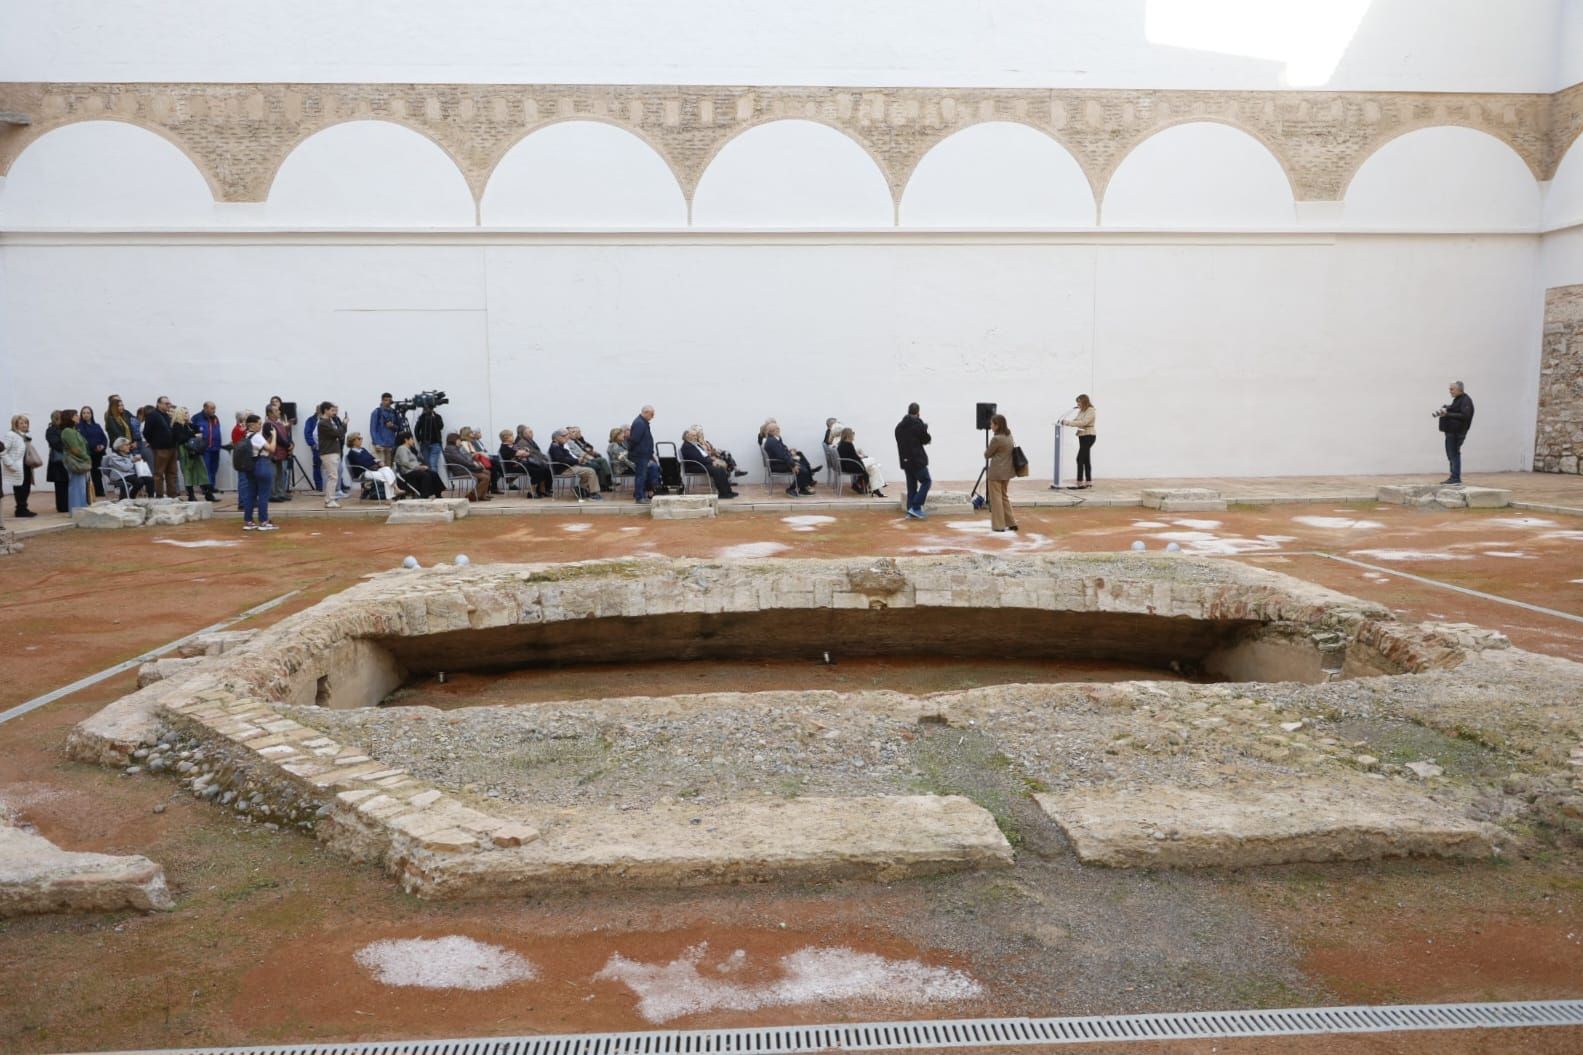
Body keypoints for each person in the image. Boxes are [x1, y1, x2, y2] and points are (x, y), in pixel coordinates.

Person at [234, 413, 278, 530]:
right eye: (259, 424)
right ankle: (263, 521)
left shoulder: (246, 435)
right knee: (263, 494)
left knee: (251, 494)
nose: (260, 426)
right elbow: (272, 449)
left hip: (250, 466)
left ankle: (248, 521)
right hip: (262, 464)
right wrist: (274, 436)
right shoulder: (257, 437)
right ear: (251, 425)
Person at [983, 413, 1020, 533]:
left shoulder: (996, 439)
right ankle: (1011, 522)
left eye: (992, 424)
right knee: (1004, 496)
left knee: (996, 499)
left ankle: (999, 525)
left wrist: (990, 450)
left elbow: (987, 454)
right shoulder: (1009, 436)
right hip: (1007, 472)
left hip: (996, 473)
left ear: (997, 425)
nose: (991, 426)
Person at [895, 402, 932, 519]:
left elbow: (903, 441)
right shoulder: (918, 424)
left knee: (911, 486)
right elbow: (926, 439)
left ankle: (910, 510)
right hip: (917, 460)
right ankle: (916, 507)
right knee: (926, 481)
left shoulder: (899, 427)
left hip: (905, 461)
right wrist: (924, 428)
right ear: (918, 412)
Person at [1434, 381, 1475, 485]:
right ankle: (1453, 477)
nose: (1450, 391)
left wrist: (1447, 414)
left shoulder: (1466, 400)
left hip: (1457, 432)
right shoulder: (1458, 399)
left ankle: (1455, 478)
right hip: (1452, 431)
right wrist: (1447, 408)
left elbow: (1465, 416)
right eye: (1450, 389)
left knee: (1454, 454)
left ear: (1459, 389)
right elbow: (1457, 410)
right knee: (1451, 454)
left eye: (1452, 389)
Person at [682, 429, 739, 498]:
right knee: (717, 470)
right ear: (687, 437)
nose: (695, 437)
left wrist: (712, 461)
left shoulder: (693, 444)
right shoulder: (687, 446)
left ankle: (728, 491)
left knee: (721, 469)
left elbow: (702, 456)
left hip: (700, 464)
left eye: (695, 435)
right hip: (694, 466)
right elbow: (698, 458)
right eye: (693, 436)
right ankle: (723, 493)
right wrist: (711, 462)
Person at [763, 422, 815, 497]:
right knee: (803, 470)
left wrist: (790, 454)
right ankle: (791, 489)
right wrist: (793, 465)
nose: (779, 430)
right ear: (773, 431)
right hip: (778, 465)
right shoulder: (773, 442)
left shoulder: (773, 439)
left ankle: (804, 487)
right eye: (778, 428)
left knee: (802, 463)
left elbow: (783, 451)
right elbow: (782, 455)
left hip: (780, 463)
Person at [172, 406, 212, 502]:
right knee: (188, 472)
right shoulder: (177, 426)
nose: (187, 415)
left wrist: (195, 432)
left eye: (187, 412)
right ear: (180, 414)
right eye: (185, 413)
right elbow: (180, 438)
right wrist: (193, 435)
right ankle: (191, 495)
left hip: (195, 450)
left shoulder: (189, 425)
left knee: (202, 470)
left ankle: (208, 493)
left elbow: (198, 431)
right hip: (185, 451)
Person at [143, 395, 179, 498]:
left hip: (172, 447)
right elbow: (146, 432)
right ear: (159, 404)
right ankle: (159, 495)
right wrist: (153, 442)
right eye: (166, 403)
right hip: (160, 448)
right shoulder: (153, 415)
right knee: (159, 473)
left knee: (172, 473)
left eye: (169, 403)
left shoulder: (168, 415)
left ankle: (172, 495)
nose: (169, 405)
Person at [608, 425, 661, 494]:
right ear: (616, 436)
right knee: (652, 467)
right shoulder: (614, 446)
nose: (623, 435)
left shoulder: (621, 444)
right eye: (621, 434)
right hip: (623, 469)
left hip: (628, 466)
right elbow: (624, 459)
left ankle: (650, 489)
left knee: (652, 466)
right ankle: (652, 489)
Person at [549, 429, 601, 499]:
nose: (566, 437)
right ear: (557, 437)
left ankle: (581, 490)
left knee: (587, 471)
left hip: (569, 468)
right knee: (590, 471)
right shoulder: (555, 447)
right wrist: (577, 461)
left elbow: (567, 458)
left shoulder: (559, 446)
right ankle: (594, 494)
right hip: (564, 470)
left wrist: (578, 461)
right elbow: (562, 460)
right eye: (563, 436)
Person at [837, 427, 888, 498]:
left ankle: (876, 490)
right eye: (852, 434)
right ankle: (881, 483)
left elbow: (852, 456)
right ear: (849, 435)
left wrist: (860, 457)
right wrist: (862, 457)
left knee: (874, 468)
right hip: (853, 465)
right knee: (873, 460)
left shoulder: (842, 444)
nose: (853, 435)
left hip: (850, 464)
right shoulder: (848, 444)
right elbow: (855, 457)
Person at [2, 414, 37, 517]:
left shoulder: (25, 436)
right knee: (20, 488)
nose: (24, 425)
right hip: (17, 466)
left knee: (26, 487)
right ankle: (20, 510)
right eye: (21, 423)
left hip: (26, 466)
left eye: (26, 423)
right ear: (15, 424)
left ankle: (23, 508)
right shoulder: (10, 435)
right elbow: (2, 450)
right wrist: (10, 464)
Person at [1059, 394, 1097, 489]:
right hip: (1082, 436)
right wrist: (1065, 422)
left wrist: (1068, 422)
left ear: (1084, 401)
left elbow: (1084, 422)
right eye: (1077, 402)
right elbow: (1075, 421)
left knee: (1080, 458)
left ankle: (1079, 482)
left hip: (1089, 436)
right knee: (1086, 459)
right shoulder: (1081, 411)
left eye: (1079, 402)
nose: (1078, 404)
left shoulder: (1091, 410)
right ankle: (1088, 481)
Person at [59, 409, 92, 512]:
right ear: (70, 418)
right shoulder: (67, 431)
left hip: (80, 460)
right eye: (75, 415)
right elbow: (75, 448)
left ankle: (82, 509)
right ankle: (76, 511)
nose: (78, 417)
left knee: (81, 487)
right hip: (75, 461)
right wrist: (86, 457)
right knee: (76, 487)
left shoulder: (74, 430)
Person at [443, 432, 491, 501]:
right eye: (459, 440)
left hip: (464, 468)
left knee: (487, 472)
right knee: (485, 477)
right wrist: (474, 465)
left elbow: (464, 459)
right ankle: (473, 495)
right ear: (455, 440)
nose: (460, 442)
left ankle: (481, 495)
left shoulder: (454, 448)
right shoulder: (451, 450)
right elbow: (463, 461)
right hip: (461, 470)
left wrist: (475, 464)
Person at [565, 425, 613, 491]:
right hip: (581, 460)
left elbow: (589, 447)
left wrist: (589, 451)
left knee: (600, 462)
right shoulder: (569, 443)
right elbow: (579, 453)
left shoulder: (578, 440)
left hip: (585, 458)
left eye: (578, 432)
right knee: (599, 463)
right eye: (574, 432)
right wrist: (588, 456)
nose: (576, 433)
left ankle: (604, 484)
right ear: (568, 434)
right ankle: (605, 482)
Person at [395, 433, 444, 498]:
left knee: (433, 473)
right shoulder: (402, 449)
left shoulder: (408, 449)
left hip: (414, 470)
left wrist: (421, 466)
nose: (413, 441)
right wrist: (418, 467)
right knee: (425, 475)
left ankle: (438, 494)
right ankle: (424, 495)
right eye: (411, 439)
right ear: (406, 440)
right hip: (408, 472)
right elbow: (405, 462)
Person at [317, 403, 346, 508]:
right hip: (328, 452)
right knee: (333, 476)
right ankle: (329, 500)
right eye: (332, 410)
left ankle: (330, 499)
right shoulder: (323, 423)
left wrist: (343, 426)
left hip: (333, 451)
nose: (334, 412)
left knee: (333, 476)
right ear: (326, 410)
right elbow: (337, 433)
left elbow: (341, 434)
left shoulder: (329, 421)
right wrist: (344, 424)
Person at [77, 406, 108, 499]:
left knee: (97, 473)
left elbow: (104, 438)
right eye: (84, 413)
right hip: (88, 454)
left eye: (88, 413)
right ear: (81, 415)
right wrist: (94, 447)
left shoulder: (97, 426)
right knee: (87, 474)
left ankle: (99, 491)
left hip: (99, 454)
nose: (86, 415)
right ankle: (88, 493)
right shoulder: (79, 426)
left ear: (91, 414)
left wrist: (102, 446)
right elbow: (82, 440)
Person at [194, 402, 224, 500]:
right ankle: (206, 488)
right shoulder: (197, 418)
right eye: (212, 408)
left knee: (213, 469)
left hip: (215, 448)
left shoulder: (215, 418)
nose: (214, 411)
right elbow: (193, 432)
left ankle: (211, 486)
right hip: (205, 449)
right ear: (205, 408)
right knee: (206, 469)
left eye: (214, 408)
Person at [263, 405, 293, 501]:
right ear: (270, 413)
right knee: (273, 474)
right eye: (276, 410)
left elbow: (285, 436)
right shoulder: (268, 424)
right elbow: (278, 439)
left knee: (280, 474)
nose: (279, 412)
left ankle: (280, 493)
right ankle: (273, 495)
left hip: (281, 453)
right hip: (273, 454)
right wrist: (288, 445)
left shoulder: (279, 423)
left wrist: (290, 443)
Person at [630, 405, 656, 504]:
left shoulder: (642, 422)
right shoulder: (639, 423)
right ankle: (639, 497)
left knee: (642, 476)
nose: (653, 416)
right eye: (651, 414)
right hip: (640, 455)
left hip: (644, 454)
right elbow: (634, 440)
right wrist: (635, 452)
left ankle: (641, 496)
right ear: (646, 412)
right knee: (641, 476)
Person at [45, 410, 68, 513]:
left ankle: (67, 504)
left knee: (66, 483)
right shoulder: (51, 430)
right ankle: (62, 506)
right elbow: (55, 443)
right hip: (58, 461)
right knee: (60, 485)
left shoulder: (65, 429)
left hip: (66, 459)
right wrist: (68, 447)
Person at [370, 393, 400, 467]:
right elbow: (373, 429)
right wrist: (376, 443)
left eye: (389, 400)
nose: (388, 402)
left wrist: (393, 426)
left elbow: (399, 428)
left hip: (390, 444)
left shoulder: (394, 412)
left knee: (389, 468)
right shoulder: (377, 412)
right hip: (380, 445)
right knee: (381, 468)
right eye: (386, 400)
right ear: (382, 401)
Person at [415, 403, 445, 475]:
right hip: (424, 444)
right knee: (427, 465)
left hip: (435, 443)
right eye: (425, 409)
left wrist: (434, 418)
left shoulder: (437, 417)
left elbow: (440, 426)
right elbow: (416, 429)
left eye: (427, 408)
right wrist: (419, 439)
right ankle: (430, 479)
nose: (426, 410)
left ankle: (434, 480)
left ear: (432, 409)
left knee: (433, 464)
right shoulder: (422, 417)